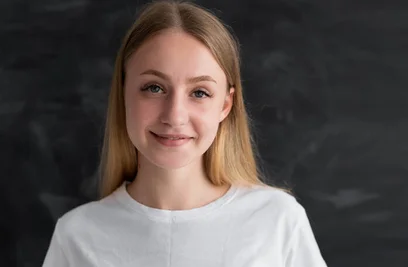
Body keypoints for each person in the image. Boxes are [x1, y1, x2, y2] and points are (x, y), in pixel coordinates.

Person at [41, 0, 328, 266]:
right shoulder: (76, 236)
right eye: (154, 88)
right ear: (123, 94)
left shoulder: (277, 221)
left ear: (225, 105)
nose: (175, 116)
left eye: (200, 92)